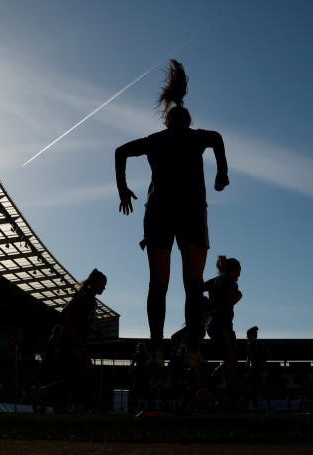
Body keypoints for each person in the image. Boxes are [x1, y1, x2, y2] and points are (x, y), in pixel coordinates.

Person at [115, 60, 230, 371]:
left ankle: (155, 348)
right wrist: (222, 173)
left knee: (158, 284)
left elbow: (120, 151)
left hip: (159, 211)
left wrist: (123, 189)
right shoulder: (196, 137)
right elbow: (217, 137)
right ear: (189, 120)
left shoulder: (155, 140)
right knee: (192, 284)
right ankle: (192, 349)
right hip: (192, 211)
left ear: (166, 122)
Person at [33, 269, 107, 414]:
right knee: (90, 374)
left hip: (75, 341)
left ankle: (42, 392)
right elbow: (65, 312)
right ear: (96, 283)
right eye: (103, 284)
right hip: (71, 341)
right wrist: (74, 334)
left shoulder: (93, 301)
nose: (105, 287)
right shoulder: (83, 295)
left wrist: (92, 330)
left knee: (77, 379)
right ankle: (76, 409)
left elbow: (80, 321)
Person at [196, 256, 243, 412]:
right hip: (223, 325)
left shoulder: (215, 280)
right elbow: (230, 300)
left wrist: (206, 304)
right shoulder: (230, 281)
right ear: (233, 269)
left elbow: (199, 287)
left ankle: (231, 398)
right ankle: (207, 391)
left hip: (212, 325)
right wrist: (238, 297)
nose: (239, 275)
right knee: (231, 361)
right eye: (239, 271)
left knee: (231, 361)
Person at [246, 326, 272, 413]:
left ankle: (270, 405)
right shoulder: (249, 345)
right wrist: (247, 362)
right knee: (252, 389)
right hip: (253, 368)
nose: (247, 337)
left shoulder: (260, 343)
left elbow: (269, 353)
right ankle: (256, 408)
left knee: (261, 389)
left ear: (254, 336)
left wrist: (261, 360)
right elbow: (249, 355)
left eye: (248, 335)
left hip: (262, 368)